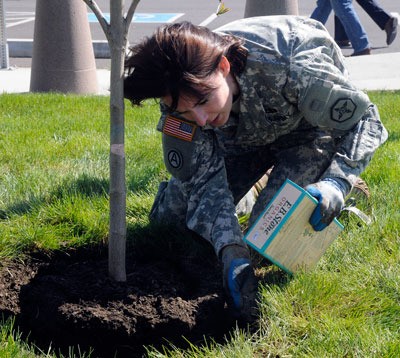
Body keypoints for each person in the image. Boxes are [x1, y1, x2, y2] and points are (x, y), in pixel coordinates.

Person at [123, 16, 388, 322]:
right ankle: (258, 185)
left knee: (267, 239)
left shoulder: (294, 66)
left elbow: (366, 120)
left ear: (224, 67)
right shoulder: (178, 96)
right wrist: (231, 250)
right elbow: (203, 177)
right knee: (170, 222)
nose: (201, 118)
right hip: (237, 141)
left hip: (305, 135)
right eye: (185, 111)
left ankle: (341, 190)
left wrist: (337, 182)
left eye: (205, 100)